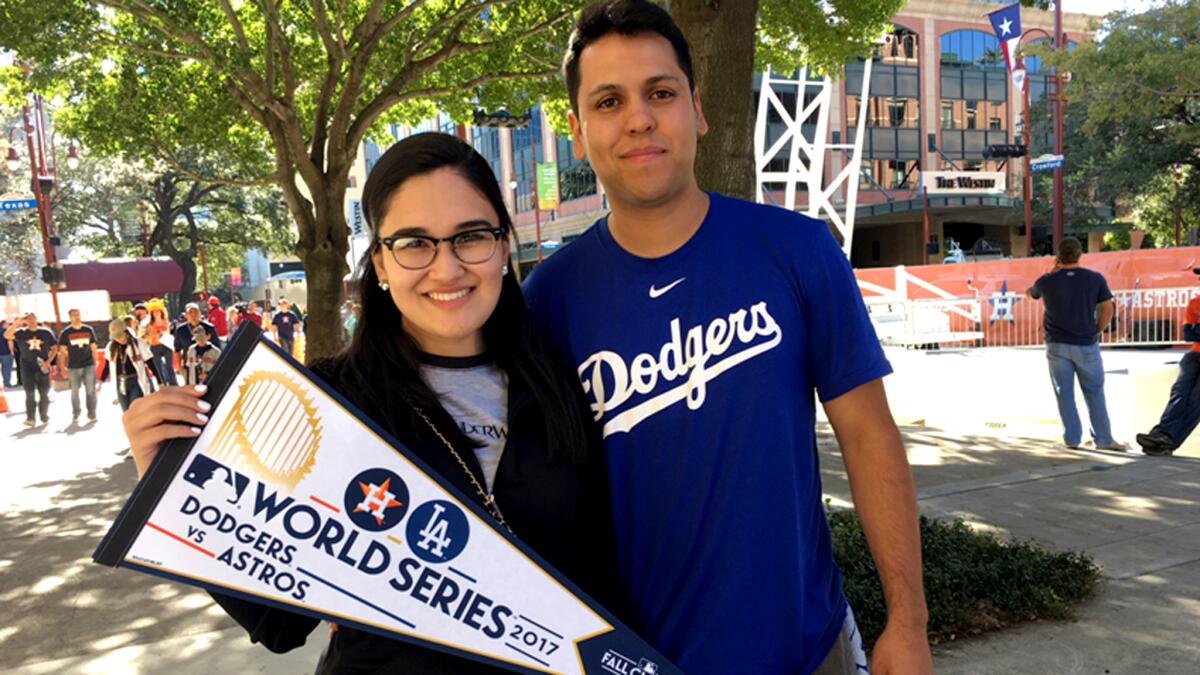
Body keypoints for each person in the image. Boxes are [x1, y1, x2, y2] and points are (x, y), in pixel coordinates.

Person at [521, 4, 934, 674]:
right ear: (577, 130)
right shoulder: (547, 300)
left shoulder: (797, 250)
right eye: (608, 101)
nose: (638, 119)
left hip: (809, 648)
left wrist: (907, 621)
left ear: (698, 109)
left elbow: (869, 435)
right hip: (636, 663)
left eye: (660, 92)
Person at [119, 132, 631, 672]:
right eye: (414, 243)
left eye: (471, 236)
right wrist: (166, 480)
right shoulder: (327, 402)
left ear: (503, 246)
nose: (447, 267)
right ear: (380, 265)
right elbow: (280, 624)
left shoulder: (562, 382)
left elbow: (598, 578)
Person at [1026, 237, 1128, 451]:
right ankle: (1103, 439)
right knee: (1094, 391)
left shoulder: (1046, 281)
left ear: (1058, 256)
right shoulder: (1094, 279)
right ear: (1080, 255)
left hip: (1056, 345)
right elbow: (1108, 309)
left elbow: (1029, 295)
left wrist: (1053, 272)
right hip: (1085, 342)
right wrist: (1096, 330)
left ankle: (1072, 439)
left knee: (1064, 392)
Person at [1137, 267, 1200, 456]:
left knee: (1197, 401)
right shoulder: (1195, 303)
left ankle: (1168, 442)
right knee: (1179, 391)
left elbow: (1194, 331)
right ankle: (1162, 433)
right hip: (1194, 354)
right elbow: (1188, 334)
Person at [5, 313, 58, 427]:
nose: (31, 321)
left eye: (33, 318)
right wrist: (17, 323)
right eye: (28, 319)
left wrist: (48, 362)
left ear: (36, 319)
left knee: (44, 393)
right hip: (27, 366)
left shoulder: (45, 332)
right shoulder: (21, 332)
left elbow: (54, 348)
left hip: (42, 365)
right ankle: (30, 418)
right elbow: (7, 335)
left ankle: (44, 415)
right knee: (29, 393)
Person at [58, 308, 100, 423]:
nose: (77, 317)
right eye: (74, 315)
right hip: (73, 366)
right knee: (74, 392)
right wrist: (63, 367)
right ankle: (76, 413)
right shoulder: (66, 333)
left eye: (78, 315)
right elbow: (62, 351)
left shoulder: (88, 329)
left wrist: (95, 360)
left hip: (88, 364)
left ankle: (92, 413)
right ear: (70, 317)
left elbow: (93, 347)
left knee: (90, 390)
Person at [103, 319, 155, 411]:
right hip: (120, 383)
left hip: (135, 381)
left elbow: (150, 362)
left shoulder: (138, 344)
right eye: (116, 337)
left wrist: (159, 381)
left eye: (120, 336)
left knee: (135, 409)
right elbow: (107, 365)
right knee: (126, 412)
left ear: (126, 332)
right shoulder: (111, 347)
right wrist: (100, 382)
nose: (119, 339)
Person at [146, 301, 178, 386]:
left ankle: (173, 384)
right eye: (154, 312)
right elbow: (147, 335)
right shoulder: (149, 324)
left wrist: (161, 334)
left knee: (169, 366)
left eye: (158, 311)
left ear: (161, 312)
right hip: (154, 346)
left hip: (166, 345)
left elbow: (167, 332)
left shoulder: (165, 322)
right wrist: (155, 335)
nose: (156, 313)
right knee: (159, 367)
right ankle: (164, 384)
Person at [0, 319, 14, 388]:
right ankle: (7, 383)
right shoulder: (7, 332)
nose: (8, 325)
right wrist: (11, 351)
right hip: (6, 353)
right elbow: (10, 342)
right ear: (4, 324)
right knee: (6, 369)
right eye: (7, 324)